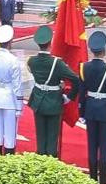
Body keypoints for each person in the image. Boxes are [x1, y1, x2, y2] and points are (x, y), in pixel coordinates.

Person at [25, 25, 77, 160]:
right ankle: (51, 167)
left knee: (40, 138)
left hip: (38, 101)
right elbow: (75, 80)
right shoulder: (57, 63)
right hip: (54, 102)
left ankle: (40, 165)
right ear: (50, 43)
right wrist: (68, 97)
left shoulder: (32, 61)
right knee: (52, 140)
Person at [79, 29, 106, 184]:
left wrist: (81, 112)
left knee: (91, 146)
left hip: (89, 110)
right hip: (105, 112)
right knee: (104, 149)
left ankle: (92, 182)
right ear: (103, 51)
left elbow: (82, 93)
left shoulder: (84, 67)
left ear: (91, 50)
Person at [0, 24, 26, 156]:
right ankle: (8, 162)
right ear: (10, 42)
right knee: (10, 134)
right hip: (10, 99)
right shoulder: (13, 60)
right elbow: (17, 86)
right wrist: (19, 106)